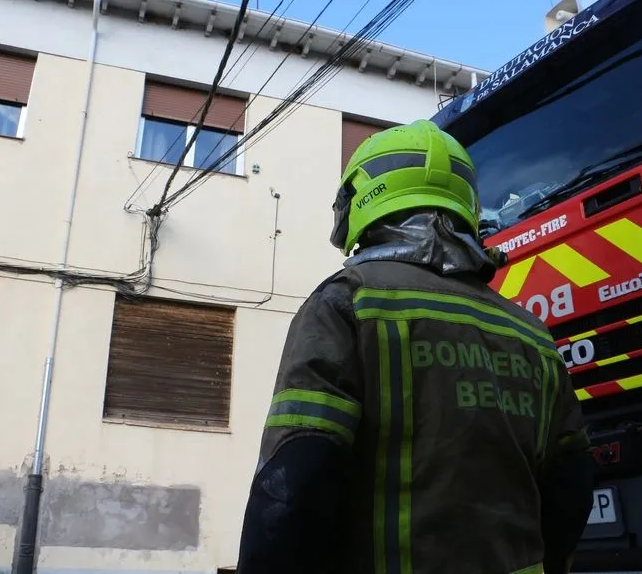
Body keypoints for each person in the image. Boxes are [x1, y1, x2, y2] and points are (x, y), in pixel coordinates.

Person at [234, 119, 595, 574]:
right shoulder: (531, 333)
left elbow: (298, 474)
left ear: (359, 198)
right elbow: (571, 482)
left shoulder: (349, 301)